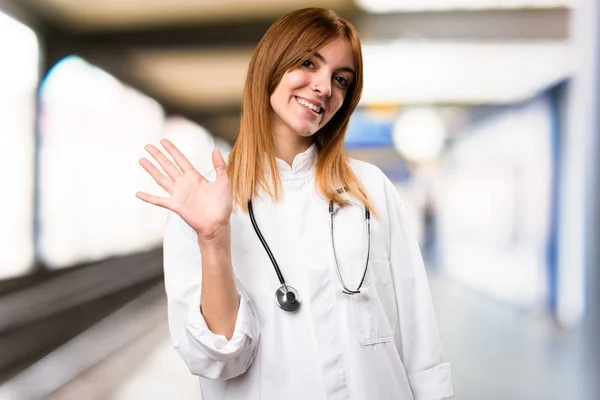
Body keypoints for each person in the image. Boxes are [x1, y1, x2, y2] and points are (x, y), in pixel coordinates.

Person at [136, 7, 453, 400]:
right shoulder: (207, 203)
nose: (324, 87)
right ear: (271, 65)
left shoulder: (371, 189)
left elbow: (420, 343)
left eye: (341, 80)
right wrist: (213, 237)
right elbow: (219, 359)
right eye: (308, 63)